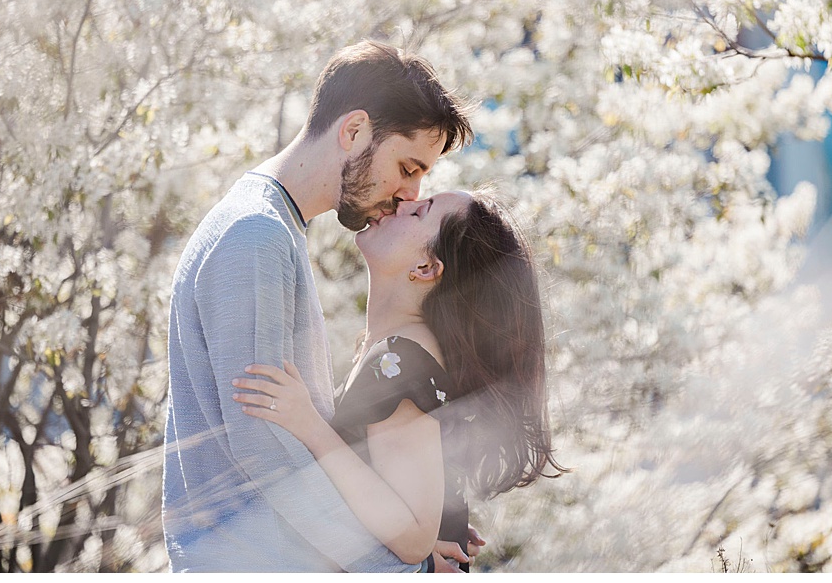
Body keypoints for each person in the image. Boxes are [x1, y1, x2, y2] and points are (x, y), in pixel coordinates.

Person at [162, 42, 479, 571]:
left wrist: (416, 519)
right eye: (407, 166)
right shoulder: (255, 235)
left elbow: (294, 431)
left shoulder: (273, 227)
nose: (409, 194)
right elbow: (262, 443)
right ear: (353, 131)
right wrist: (396, 565)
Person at [232, 190, 559, 571]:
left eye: (420, 212)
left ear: (425, 267)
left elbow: (414, 536)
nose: (403, 202)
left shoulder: (402, 360)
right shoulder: (400, 352)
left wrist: (308, 425)